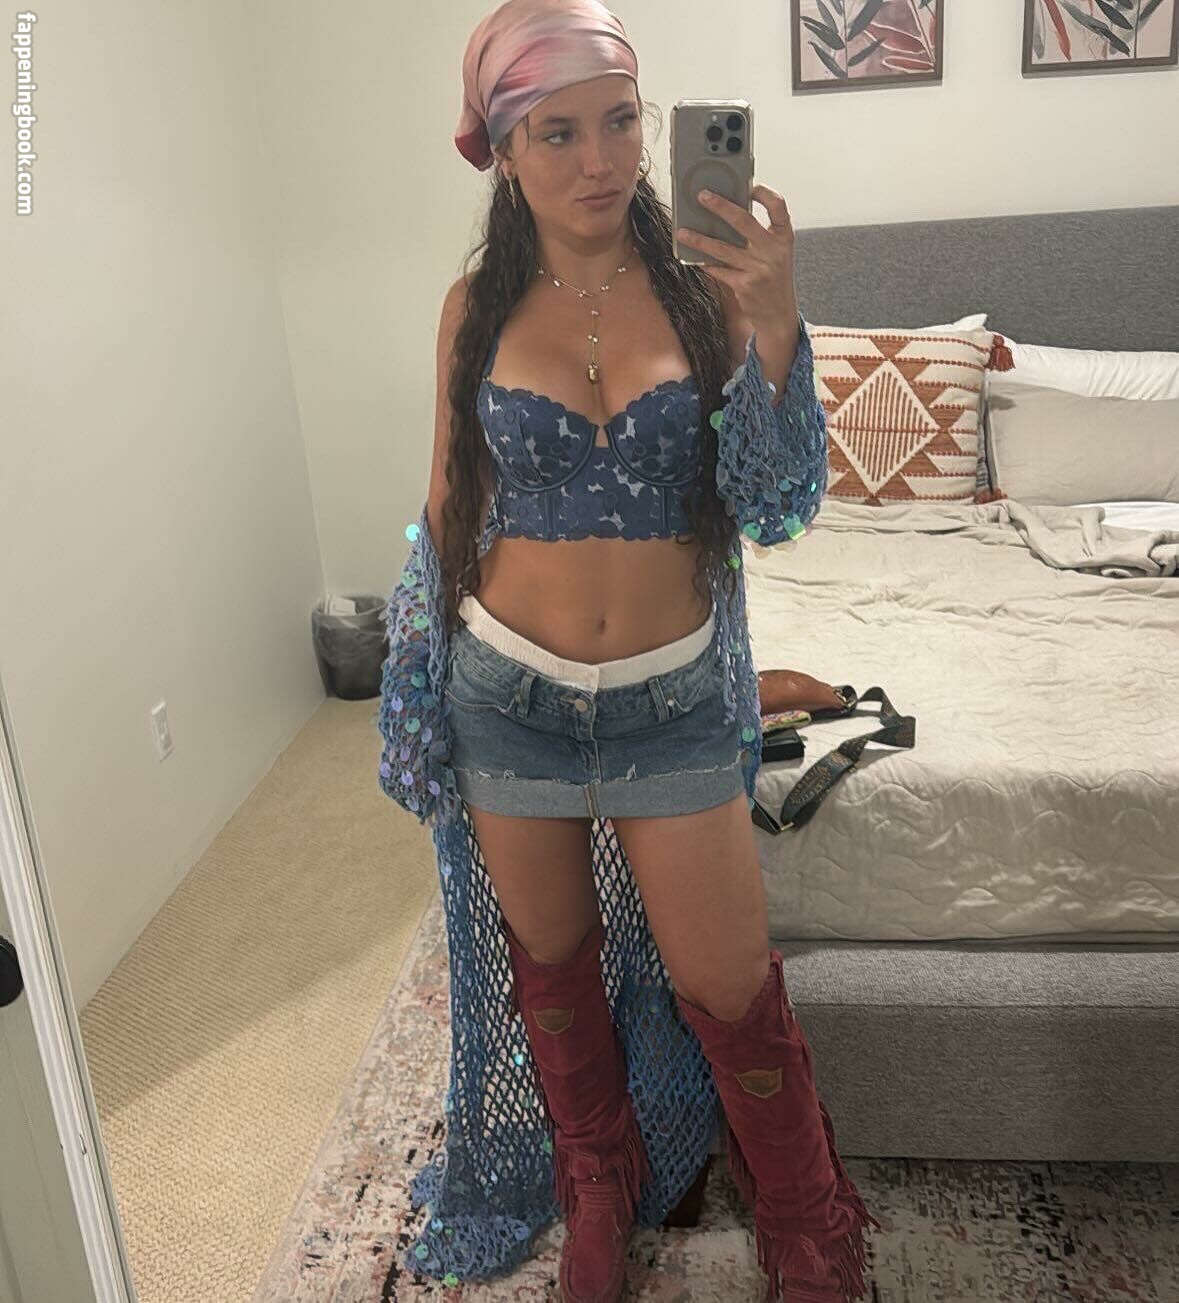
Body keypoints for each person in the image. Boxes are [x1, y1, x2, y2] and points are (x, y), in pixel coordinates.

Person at [376, 2, 880, 1300]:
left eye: (620, 122)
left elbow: (775, 505)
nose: (600, 161)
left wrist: (777, 328)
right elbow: (447, 509)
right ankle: (595, 1184)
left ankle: (807, 1214)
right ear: (501, 150)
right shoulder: (472, 312)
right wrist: (414, 684)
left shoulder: (708, 296)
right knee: (552, 974)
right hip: (507, 701)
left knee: (733, 989)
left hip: (672, 705)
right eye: (558, 133)